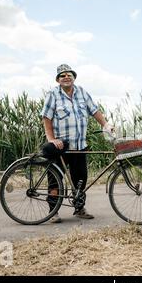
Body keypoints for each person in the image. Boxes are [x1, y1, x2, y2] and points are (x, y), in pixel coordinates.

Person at [41, 64, 114, 223]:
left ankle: (79, 208)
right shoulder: (53, 95)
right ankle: (53, 212)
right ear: (58, 80)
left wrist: (106, 125)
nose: (66, 77)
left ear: (74, 77)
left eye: (69, 75)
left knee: (80, 179)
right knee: (55, 181)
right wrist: (52, 139)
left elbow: (94, 111)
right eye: (62, 76)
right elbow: (46, 118)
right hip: (61, 147)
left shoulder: (82, 92)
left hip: (80, 145)